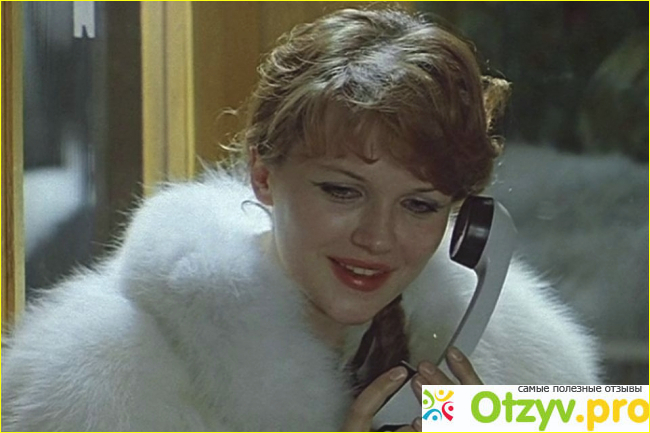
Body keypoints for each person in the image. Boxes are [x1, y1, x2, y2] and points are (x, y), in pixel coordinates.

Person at [2, 7, 600, 432]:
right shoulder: (97, 375)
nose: (377, 238)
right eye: (342, 191)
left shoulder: (520, 363)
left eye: (420, 205)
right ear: (262, 175)